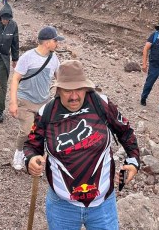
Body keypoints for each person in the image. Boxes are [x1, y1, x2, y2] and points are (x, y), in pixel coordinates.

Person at [24, 60, 140, 230]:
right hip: (62, 207)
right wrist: (31, 159)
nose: (74, 96)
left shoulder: (102, 104)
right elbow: (31, 145)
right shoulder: (47, 113)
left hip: (103, 205)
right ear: (58, 90)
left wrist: (133, 162)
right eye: (67, 90)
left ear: (86, 87)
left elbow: (126, 132)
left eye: (78, 89)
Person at [8, 26, 64, 170]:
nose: (57, 43)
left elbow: (60, 79)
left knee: (40, 132)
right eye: (55, 40)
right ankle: (19, 153)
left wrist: (60, 98)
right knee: (27, 131)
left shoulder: (54, 59)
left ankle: (33, 156)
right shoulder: (28, 57)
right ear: (47, 42)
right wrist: (13, 103)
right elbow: (15, 79)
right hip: (25, 101)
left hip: (43, 103)